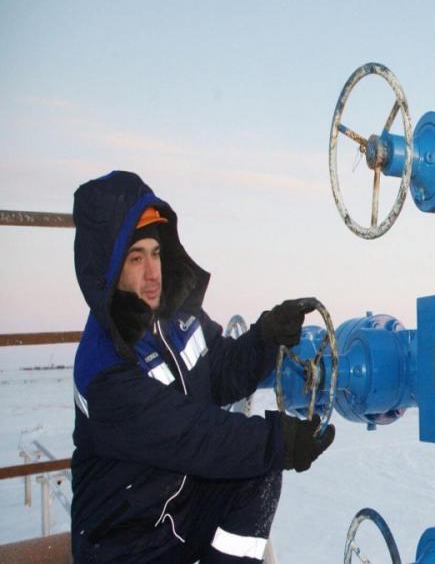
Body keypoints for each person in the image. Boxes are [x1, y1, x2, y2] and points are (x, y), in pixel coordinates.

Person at [70, 170, 335, 563]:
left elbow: (222, 371)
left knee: (256, 474)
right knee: (256, 454)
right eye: (136, 258)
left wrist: (265, 336)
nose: (153, 272)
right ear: (108, 270)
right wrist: (280, 441)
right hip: (124, 542)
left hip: (176, 516)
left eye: (155, 253)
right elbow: (192, 435)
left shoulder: (175, 317)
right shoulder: (104, 368)